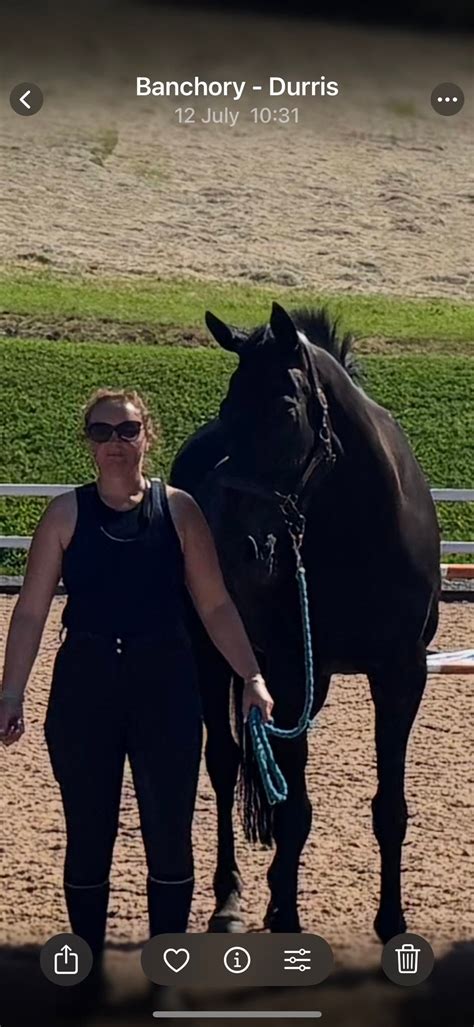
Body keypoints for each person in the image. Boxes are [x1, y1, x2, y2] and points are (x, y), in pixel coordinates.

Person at [0, 387, 273, 959]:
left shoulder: (179, 511)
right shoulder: (65, 514)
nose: (115, 444)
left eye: (126, 430)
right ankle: (88, 963)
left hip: (165, 685)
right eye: (102, 433)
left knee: (169, 834)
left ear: (147, 435)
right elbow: (30, 610)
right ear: (89, 444)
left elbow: (215, 604)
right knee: (88, 833)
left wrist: (250, 676)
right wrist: (12, 691)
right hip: (86, 685)